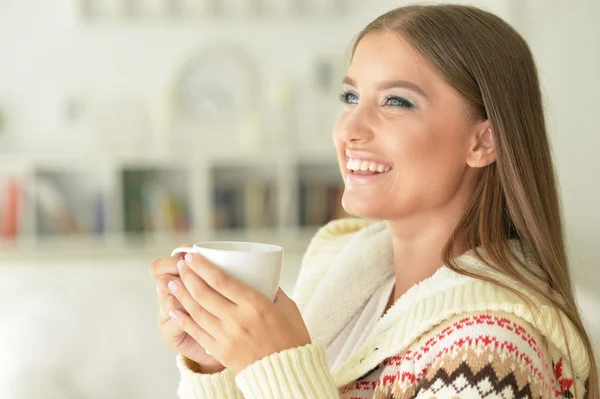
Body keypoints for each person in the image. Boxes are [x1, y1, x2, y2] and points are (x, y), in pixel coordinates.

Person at [149, 4, 598, 398]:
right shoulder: (342, 283)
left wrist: (277, 366)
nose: (349, 129)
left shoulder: (496, 351)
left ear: (483, 142)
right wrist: (218, 364)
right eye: (350, 97)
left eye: (396, 101)